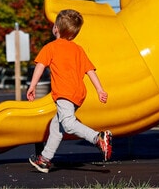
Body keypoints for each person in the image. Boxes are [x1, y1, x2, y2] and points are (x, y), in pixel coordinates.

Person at [26, 9, 112, 173]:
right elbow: (90, 71)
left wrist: (32, 86)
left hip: (64, 93)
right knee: (56, 127)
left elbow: (40, 66)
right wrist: (100, 89)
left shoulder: (50, 47)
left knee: (68, 124)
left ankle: (98, 138)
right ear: (73, 35)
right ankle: (44, 159)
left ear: (56, 28)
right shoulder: (78, 49)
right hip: (78, 93)